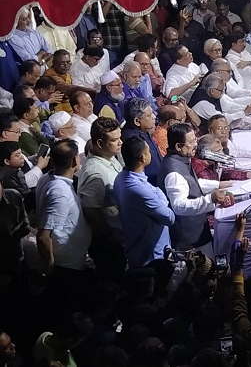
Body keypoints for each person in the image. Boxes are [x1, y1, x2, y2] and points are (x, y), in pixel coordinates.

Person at [157, 123, 227, 257]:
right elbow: (179, 206)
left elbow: (190, 183)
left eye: (195, 140)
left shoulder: (181, 160)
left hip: (198, 234)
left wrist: (218, 185)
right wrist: (210, 199)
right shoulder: (173, 172)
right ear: (178, 146)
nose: (196, 145)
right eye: (191, 142)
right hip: (190, 242)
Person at [114, 136, 175, 268]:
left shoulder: (121, 178)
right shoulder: (138, 189)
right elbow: (169, 217)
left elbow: (156, 191)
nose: (150, 154)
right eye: (148, 152)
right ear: (142, 158)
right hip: (152, 256)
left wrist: (157, 194)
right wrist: (162, 199)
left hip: (139, 249)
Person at [76, 117, 124, 280]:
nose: (120, 142)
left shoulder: (109, 158)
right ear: (100, 143)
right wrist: (109, 235)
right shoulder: (95, 173)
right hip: (109, 242)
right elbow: (90, 210)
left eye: (120, 138)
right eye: (115, 140)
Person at [36, 140, 91, 276]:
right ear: (74, 161)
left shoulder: (46, 178)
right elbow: (43, 236)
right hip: (66, 266)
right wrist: (50, 264)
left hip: (71, 262)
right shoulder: (59, 192)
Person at [121, 98, 161, 185]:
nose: (154, 117)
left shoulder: (143, 130)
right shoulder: (131, 140)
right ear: (137, 121)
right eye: (149, 116)